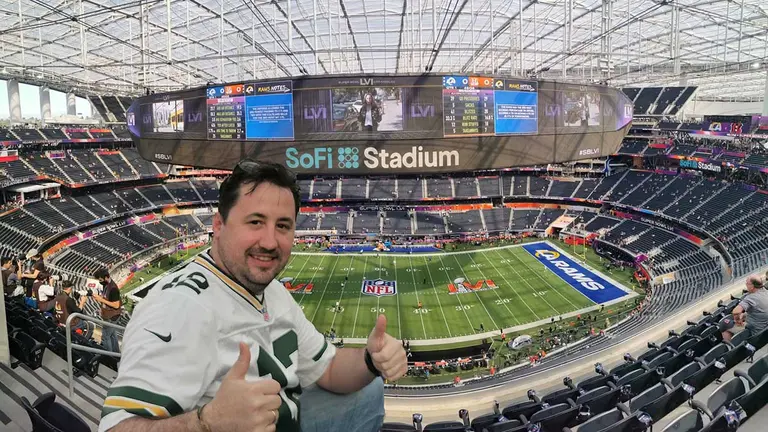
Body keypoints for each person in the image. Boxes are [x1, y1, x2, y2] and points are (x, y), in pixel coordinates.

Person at [99, 160, 405, 432]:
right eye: (255, 222)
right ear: (219, 226)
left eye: (282, 226)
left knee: (370, 388)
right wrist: (207, 423)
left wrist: (371, 359)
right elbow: (116, 427)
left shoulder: (270, 289)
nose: (270, 242)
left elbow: (329, 368)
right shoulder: (179, 307)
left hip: (289, 417)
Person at [722, 275, 768, 343]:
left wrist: (738, 321)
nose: (746, 284)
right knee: (742, 315)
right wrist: (743, 315)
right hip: (765, 329)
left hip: (755, 330)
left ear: (752, 287)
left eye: (747, 283)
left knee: (724, 324)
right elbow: (760, 310)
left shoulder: (751, 298)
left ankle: (730, 348)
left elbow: (735, 311)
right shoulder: (766, 292)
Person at [92, 268, 122, 353]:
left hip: (112, 316)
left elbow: (116, 305)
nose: (99, 281)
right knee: (112, 335)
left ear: (106, 277)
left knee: (105, 336)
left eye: (100, 279)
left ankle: (108, 356)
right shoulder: (106, 285)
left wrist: (101, 300)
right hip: (108, 315)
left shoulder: (113, 288)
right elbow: (107, 299)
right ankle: (116, 354)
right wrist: (100, 298)